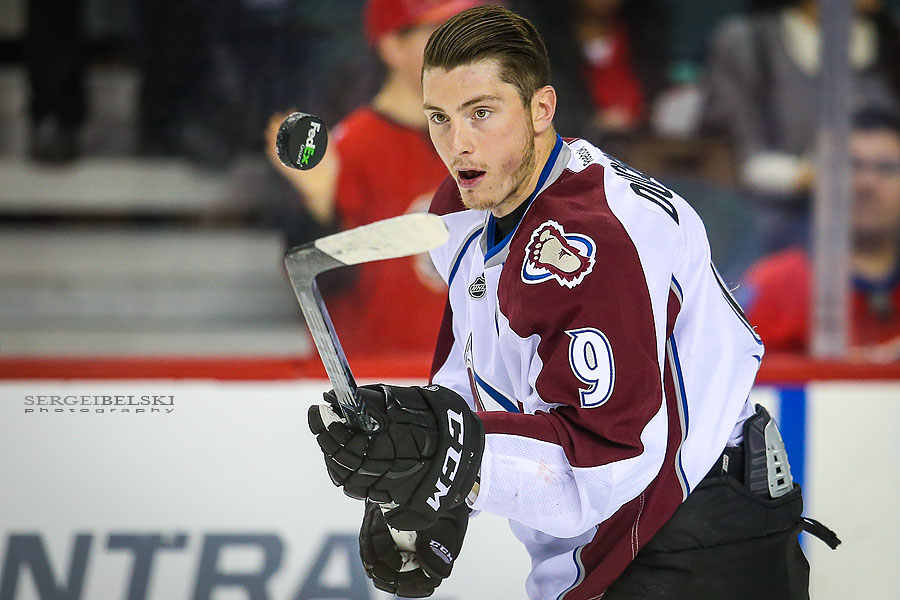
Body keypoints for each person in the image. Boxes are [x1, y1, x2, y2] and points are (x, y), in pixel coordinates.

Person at [307, 6, 839, 599]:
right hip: (621, 543)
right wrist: (430, 484)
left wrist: (452, 457)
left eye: (482, 113)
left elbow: (608, 464)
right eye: (440, 118)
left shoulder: (591, 247)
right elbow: (481, 375)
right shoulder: (467, 208)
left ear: (541, 109)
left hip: (697, 539)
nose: (458, 144)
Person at [264, 0, 488, 359]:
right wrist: (320, 208)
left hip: (474, 381)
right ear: (391, 46)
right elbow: (315, 282)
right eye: (440, 32)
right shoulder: (351, 147)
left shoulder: (487, 141)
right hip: (379, 384)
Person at [703, 0, 900, 253]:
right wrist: (815, 176)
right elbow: (736, 156)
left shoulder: (889, 39)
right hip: (776, 233)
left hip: (881, 240)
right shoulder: (750, 43)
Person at [739, 108, 900, 362]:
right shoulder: (776, 285)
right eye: (851, 165)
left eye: (886, 168)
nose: (867, 183)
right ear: (819, 179)